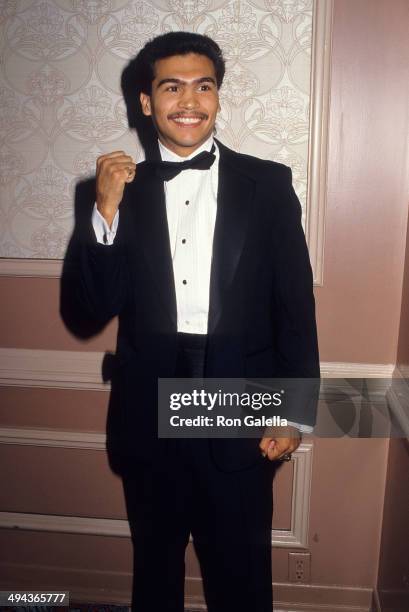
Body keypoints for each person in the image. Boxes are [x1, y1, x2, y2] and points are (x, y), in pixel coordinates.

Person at [61, 31, 319, 612]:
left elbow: (295, 309)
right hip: (148, 404)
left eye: (204, 86)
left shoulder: (269, 184)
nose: (189, 101)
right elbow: (91, 309)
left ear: (219, 98)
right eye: (171, 86)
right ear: (147, 102)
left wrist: (293, 412)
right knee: (155, 570)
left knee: (241, 572)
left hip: (238, 402)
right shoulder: (118, 192)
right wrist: (105, 210)